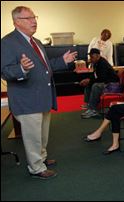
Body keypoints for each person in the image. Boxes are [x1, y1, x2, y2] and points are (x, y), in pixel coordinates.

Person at [1, 6, 77, 179]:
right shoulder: (7, 42)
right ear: (16, 22)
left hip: (42, 96)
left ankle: (41, 158)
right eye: (28, 18)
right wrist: (21, 68)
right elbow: (5, 71)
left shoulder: (35, 42)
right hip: (26, 98)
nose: (33, 21)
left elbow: (45, 67)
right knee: (32, 135)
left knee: (42, 133)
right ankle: (36, 167)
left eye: (34, 17)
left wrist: (62, 61)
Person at [80, 48, 120, 119]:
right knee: (90, 84)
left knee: (96, 86)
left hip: (113, 85)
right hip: (106, 82)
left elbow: (102, 78)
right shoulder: (96, 63)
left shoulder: (102, 63)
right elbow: (95, 75)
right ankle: (89, 104)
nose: (91, 58)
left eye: (92, 57)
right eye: (90, 56)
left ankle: (93, 110)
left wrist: (90, 81)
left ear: (98, 56)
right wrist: (88, 80)